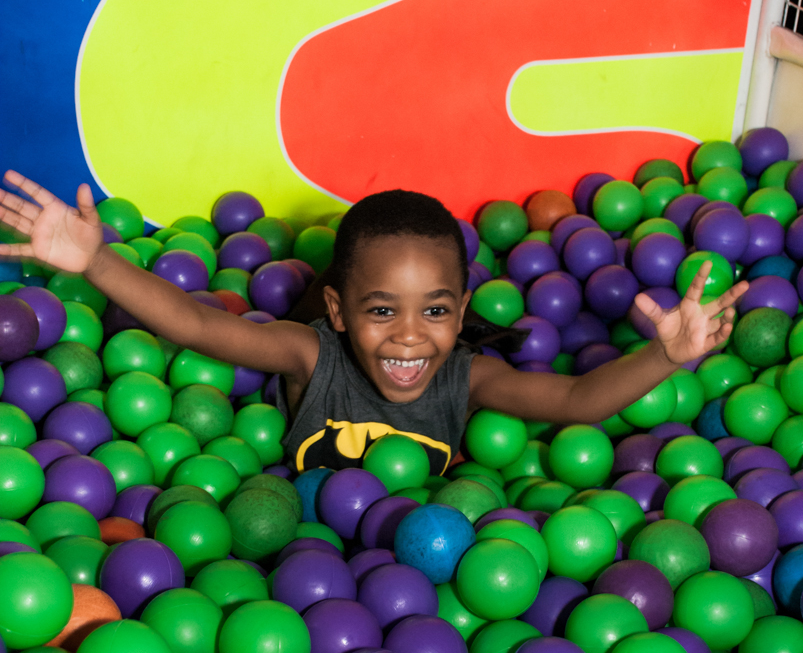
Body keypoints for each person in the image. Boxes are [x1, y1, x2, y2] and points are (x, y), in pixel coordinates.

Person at [0, 172, 746, 474]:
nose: (410, 336)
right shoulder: (306, 354)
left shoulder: (470, 378)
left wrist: (667, 356)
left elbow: (575, 402)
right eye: (381, 311)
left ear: (460, 309)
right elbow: (197, 328)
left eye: (436, 311)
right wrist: (95, 263)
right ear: (337, 312)